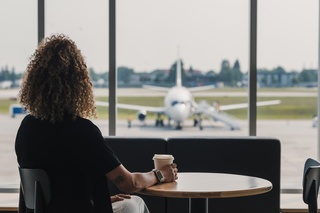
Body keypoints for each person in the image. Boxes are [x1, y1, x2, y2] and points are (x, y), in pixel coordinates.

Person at [15, 34, 178, 213]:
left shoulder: (26, 128)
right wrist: (161, 174)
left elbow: (57, 190)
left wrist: (99, 201)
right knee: (134, 202)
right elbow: (129, 183)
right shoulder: (82, 131)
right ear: (78, 84)